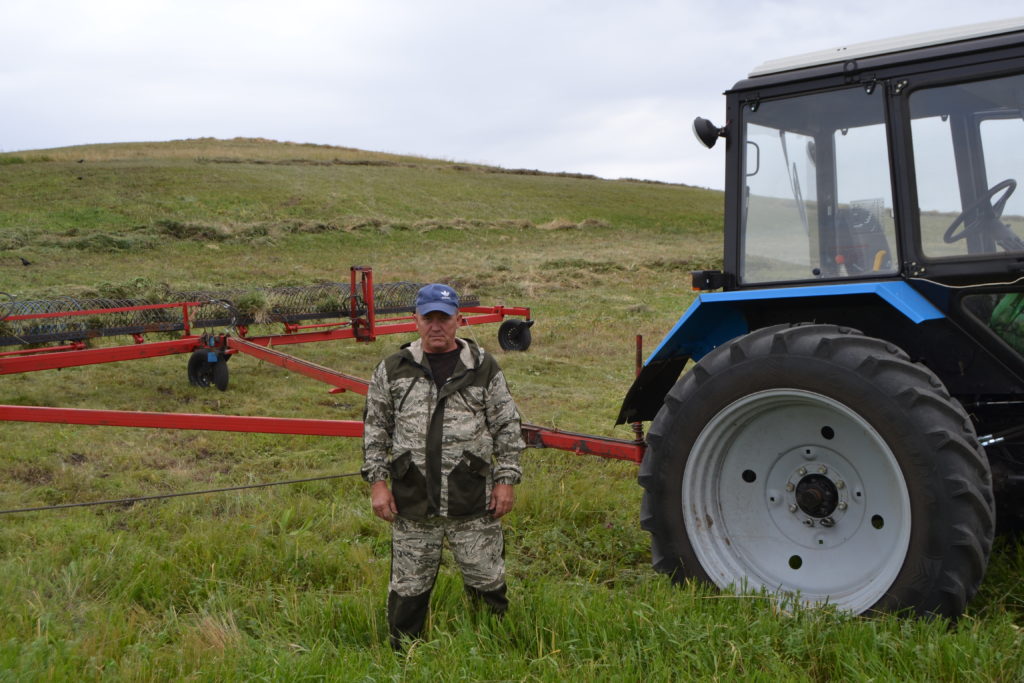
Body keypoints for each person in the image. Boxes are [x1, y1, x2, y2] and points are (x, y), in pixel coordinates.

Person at [361, 283, 525, 650]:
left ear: (458, 320)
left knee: (487, 580)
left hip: (472, 499)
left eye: (444, 318)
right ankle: (405, 658)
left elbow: (507, 426)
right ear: (415, 320)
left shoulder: (482, 367)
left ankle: (491, 650)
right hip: (412, 500)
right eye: (429, 318)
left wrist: (506, 479)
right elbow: (376, 430)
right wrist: (378, 483)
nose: (437, 326)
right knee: (408, 587)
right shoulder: (393, 369)